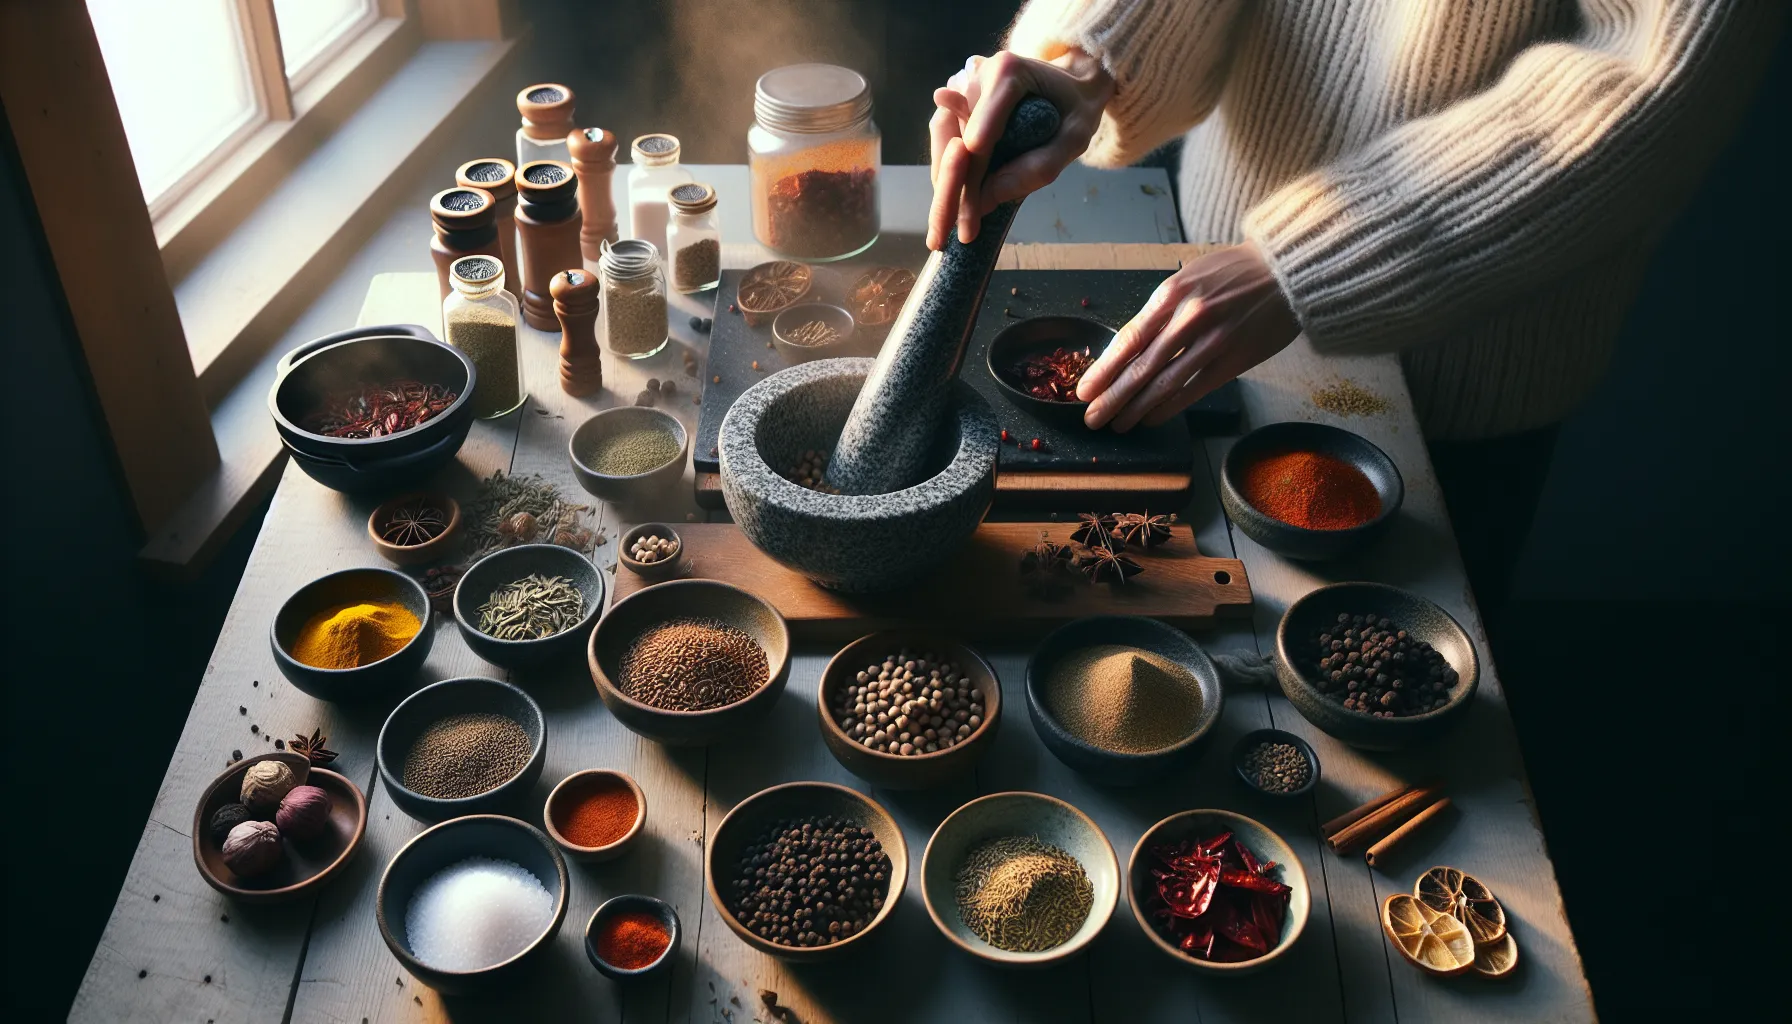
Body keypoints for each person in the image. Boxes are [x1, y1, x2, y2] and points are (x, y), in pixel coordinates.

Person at [929, 0, 1779, 614]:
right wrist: (1086, 60)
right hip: (1213, 287)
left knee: (1405, 642)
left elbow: (1652, 77)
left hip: (1460, 344)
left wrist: (1305, 257)